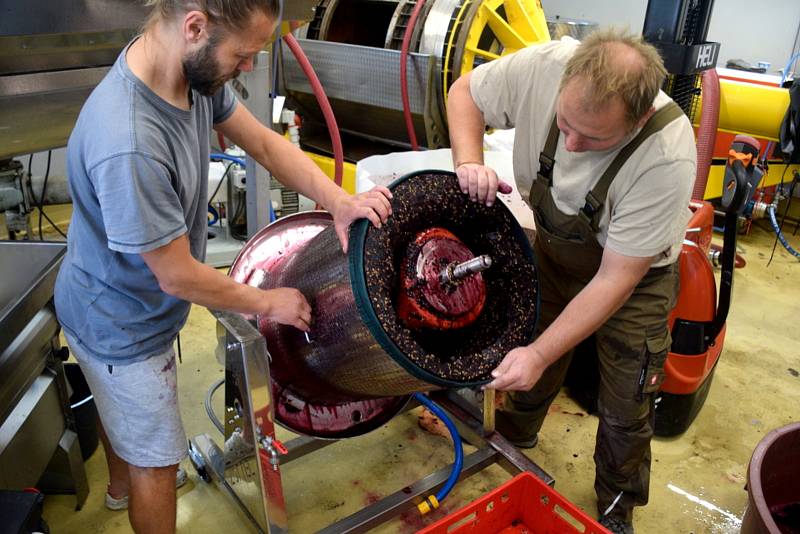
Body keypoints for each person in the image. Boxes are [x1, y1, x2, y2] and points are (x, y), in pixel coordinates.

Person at [54, 1, 392, 532]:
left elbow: (261, 142)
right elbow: (177, 275)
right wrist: (268, 301)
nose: (249, 67)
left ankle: (120, 488)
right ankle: (137, 484)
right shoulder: (130, 142)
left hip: (119, 296)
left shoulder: (187, 74)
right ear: (195, 27)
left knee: (127, 419)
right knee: (158, 465)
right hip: (118, 322)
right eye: (244, 54)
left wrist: (339, 199)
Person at [446, 29, 696, 533]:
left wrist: (540, 355)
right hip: (555, 249)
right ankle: (515, 436)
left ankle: (615, 507)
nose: (574, 144)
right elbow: (464, 93)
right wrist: (468, 160)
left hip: (633, 278)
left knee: (628, 398)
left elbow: (613, 282)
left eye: (596, 138)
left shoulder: (666, 153)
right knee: (530, 341)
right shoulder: (544, 65)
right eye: (565, 124)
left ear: (640, 117)